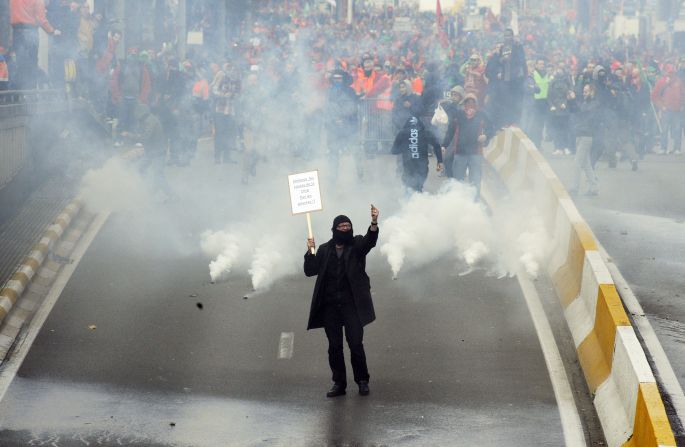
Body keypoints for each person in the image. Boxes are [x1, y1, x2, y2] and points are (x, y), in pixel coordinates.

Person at [304, 206, 380, 398]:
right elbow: (310, 270)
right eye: (342, 226)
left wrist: (373, 223)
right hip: (331, 307)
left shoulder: (357, 245)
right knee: (334, 347)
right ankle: (339, 383)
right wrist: (309, 252)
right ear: (335, 229)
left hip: (352, 305)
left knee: (355, 344)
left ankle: (362, 381)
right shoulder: (324, 250)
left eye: (348, 225)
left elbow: (370, 242)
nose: (346, 228)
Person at [442, 94, 494, 200]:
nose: (470, 105)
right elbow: (450, 132)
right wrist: (444, 145)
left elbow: (491, 128)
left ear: (476, 104)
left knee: (475, 181)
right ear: (464, 104)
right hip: (460, 153)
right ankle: (457, 201)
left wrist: (486, 136)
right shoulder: (459, 115)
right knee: (458, 181)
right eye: (467, 102)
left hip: (476, 154)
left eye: (473, 102)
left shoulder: (482, 114)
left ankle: (474, 204)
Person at [10, 0, 62, 90]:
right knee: (31, 65)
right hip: (30, 32)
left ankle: (18, 95)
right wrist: (52, 31)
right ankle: (30, 94)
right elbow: (41, 19)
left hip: (16, 33)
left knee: (19, 64)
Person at [391, 116, 443, 192]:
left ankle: (408, 202)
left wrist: (406, 148)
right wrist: (439, 162)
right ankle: (417, 201)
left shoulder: (402, 133)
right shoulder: (425, 132)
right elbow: (437, 146)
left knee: (408, 188)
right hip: (422, 167)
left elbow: (394, 151)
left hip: (408, 166)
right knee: (418, 188)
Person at [568, 84, 599, 195]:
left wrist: (574, 99)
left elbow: (583, 112)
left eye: (586, 91)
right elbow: (575, 111)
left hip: (586, 135)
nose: (584, 93)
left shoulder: (594, 104)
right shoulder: (585, 102)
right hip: (579, 134)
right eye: (584, 91)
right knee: (586, 164)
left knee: (577, 163)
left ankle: (574, 188)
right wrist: (571, 101)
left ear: (592, 92)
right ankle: (594, 187)